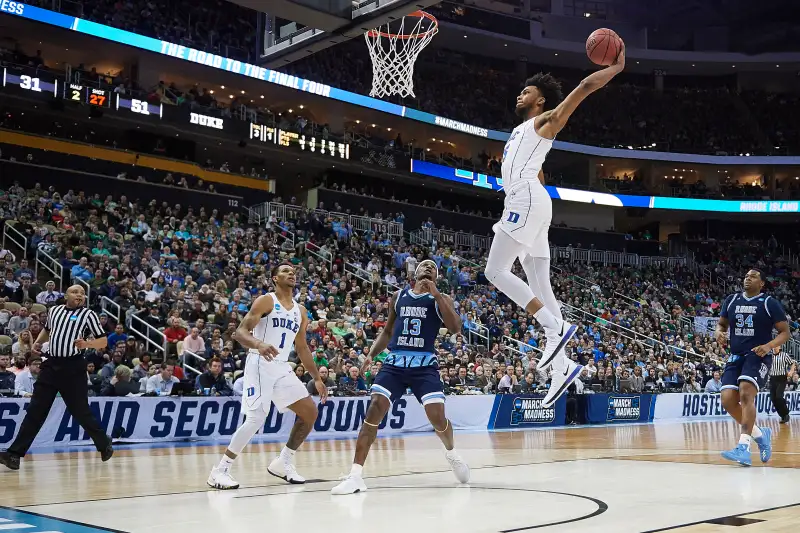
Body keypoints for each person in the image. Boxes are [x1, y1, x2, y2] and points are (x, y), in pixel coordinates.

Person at [483, 46, 626, 409]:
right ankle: (562, 368)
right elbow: (539, 170)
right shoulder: (521, 131)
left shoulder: (546, 120)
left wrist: (617, 67)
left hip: (525, 200)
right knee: (539, 283)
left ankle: (554, 328)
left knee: (495, 270)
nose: (520, 93)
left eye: (526, 91)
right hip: (533, 199)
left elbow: (584, 87)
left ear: (540, 100)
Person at [331, 260, 469, 495]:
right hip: (395, 361)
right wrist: (371, 355)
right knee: (375, 407)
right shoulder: (398, 296)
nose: (428, 268)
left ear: (437, 277)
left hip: (424, 363)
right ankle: (355, 475)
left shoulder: (441, 298)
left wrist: (436, 294)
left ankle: (451, 452)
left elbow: (456, 327)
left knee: (437, 417)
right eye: (424, 266)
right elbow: (387, 332)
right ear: (414, 273)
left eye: (433, 268)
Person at [208, 264, 327, 490]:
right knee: (256, 418)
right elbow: (240, 332)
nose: (292, 273)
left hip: (282, 365)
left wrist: (317, 378)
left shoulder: (300, 310)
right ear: (274, 278)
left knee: (310, 412)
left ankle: (283, 461)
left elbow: (302, 347)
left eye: (294, 271)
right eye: (285, 271)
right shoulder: (266, 301)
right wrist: (259, 344)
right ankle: (220, 470)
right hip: (259, 362)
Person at [0, 285, 113, 470]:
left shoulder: (88, 315)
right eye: (75, 292)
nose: (79, 295)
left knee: (80, 411)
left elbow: (103, 341)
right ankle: (14, 455)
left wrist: (86, 343)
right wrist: (37, 343)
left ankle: (103, 442)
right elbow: (47, 330)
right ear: (66, 295)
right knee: (36, 410)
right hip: (51, 365)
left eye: (82, 293)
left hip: (73, 367)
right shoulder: (54, 311)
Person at [716, 269, 790, 466]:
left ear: (762, 283)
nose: (747, 278)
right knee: (727, 400)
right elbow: (721, 324)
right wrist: (719, 332)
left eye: (753, 276)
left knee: (746, 394)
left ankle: (743, 447)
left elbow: (785, 333)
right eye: (746, 275)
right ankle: (760, 434)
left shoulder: (768, 303)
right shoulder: (731, 300)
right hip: (736, 356)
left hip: (758, 356)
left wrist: (768, 346)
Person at [768, 346, 795, 424]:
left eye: (776, 346)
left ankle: (786, 413)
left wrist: (791, 371)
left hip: (781, 378)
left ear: (779, 347)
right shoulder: (770, 356)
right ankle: (782, 415)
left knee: (779, 396)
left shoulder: (784, 355)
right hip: (772, 378)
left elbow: (792, 363)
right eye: (773, 346)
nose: (774, 348)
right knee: (773, 398)